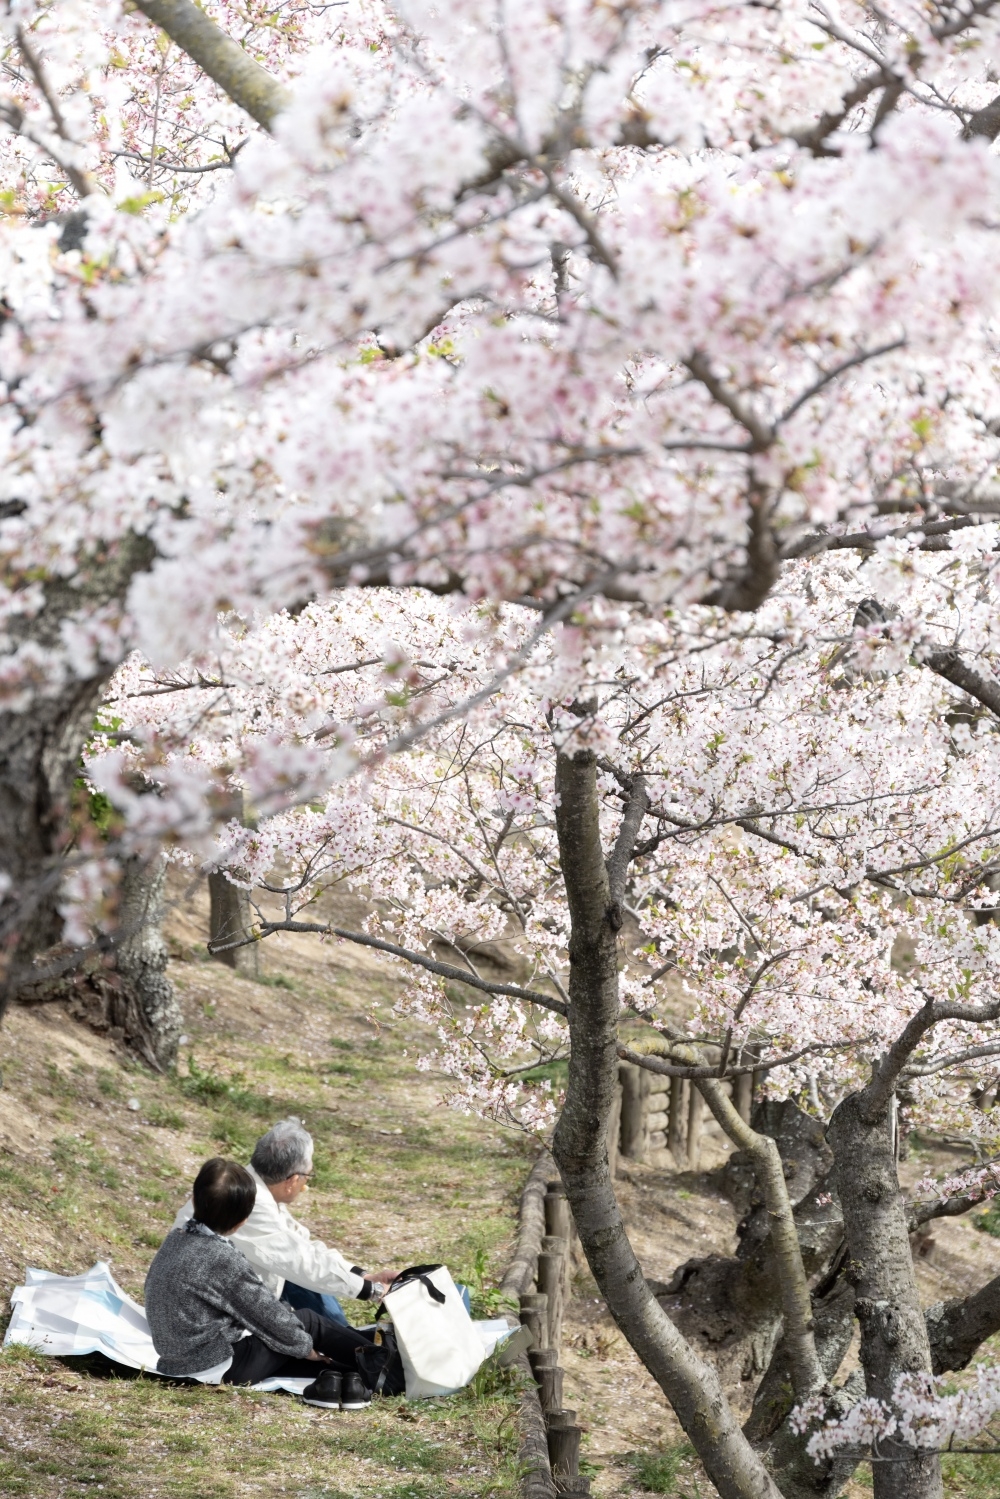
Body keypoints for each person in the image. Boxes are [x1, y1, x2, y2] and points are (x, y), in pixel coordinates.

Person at [146, 1157, 378, 1409]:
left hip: (178, 1362)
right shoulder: (220, 1258)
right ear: (243, 1220)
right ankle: (387, 1366)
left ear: (193, 1200)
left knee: (318, 1364)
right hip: (220, 1364)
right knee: (308, 1322)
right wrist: (306, 1347)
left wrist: (301, 1349)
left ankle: (364, 1376)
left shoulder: (176, 1239)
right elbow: (268, 1314)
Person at [171, 1119, 397, 1327]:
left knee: (309, 1278)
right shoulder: (249, 1202)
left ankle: (345, 1338)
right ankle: (347, 1343)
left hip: (220, 1292)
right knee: (305, 1279)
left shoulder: (254, 1183)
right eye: (308, 1175)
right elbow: (299, 1261)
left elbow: (302, 1246)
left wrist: (363, 1277)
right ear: (292, 1180)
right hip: (200, 1315)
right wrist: (372, 1291)